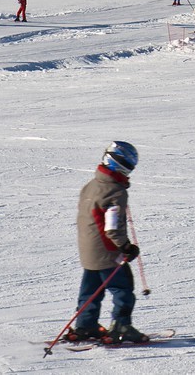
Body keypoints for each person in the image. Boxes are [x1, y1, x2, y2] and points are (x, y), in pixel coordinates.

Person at [66, 141, 146, 344]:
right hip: (107, 252)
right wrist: (126, 247)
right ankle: (122, 326)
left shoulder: (92, 185)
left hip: (88, 249)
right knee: (123, 289)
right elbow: (112, 228)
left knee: (91, 290)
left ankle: (86, 325)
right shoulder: (115, 191)